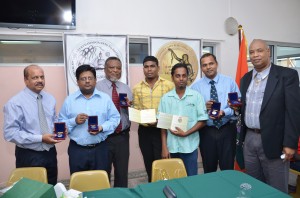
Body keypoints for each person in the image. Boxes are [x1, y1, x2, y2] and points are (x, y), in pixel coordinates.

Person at [238, 39, 300, 193]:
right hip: (250, 138)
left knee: (276, 189)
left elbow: (293, 111)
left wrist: (290, 144)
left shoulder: (287, 75)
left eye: (259, 51)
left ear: (268, 52)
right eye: (251, 52)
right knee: (253, 186)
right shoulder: (245, 79)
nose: (255, 55)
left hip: (275, 141)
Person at [3, 65, 61, 185]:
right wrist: (40, 138)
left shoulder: (50, 99)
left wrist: (59, 129)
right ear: (26, 80)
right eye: (35, 77)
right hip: (28, 155)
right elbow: (10, 133)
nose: (40, 80)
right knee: (31, 191)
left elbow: (52, 120)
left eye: (42, 77)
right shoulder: (15, 103)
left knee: (51, 187)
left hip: (50, 152)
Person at [59, 64, 120, 174]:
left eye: (90, 78)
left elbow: (115, 118)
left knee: (101, 184)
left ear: (95, 80)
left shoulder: (105, 99)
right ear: (77, 82)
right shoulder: (69, 100)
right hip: (77, 150)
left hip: (100, 149)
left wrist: (102, 128)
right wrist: (74, 121)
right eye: (83, 79)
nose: (87, 81)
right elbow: (60, 124)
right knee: (79, 185)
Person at [191, 53, 240, 173]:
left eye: (211, 63)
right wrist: (203, 107)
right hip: (206, 131)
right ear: (201, 68)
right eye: (204, 65)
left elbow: (236, 106)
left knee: (228, 168)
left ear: (216, 64)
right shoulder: (195, 88)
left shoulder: (229, 82)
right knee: (209, 167)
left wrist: (224, 112)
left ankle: (228, 190)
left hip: (227, 129)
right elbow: (191, 111)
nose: (208, 67)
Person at [158, 63, 208, 176]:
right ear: (172, 78)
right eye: (178, 76)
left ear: (187, 77)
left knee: (191, 180)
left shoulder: (196, 96)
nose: (181, 79)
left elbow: (203, 120)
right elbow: (163, 126)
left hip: (190, 147)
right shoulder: (166, 99)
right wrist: (164, 147)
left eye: (184, 76)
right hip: (172, 147)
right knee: (174, 179)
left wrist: (186, 133)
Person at [132, 56, 174, 182]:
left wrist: (159, 121)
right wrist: (141, 119)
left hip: (163, 130)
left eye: (152, 66)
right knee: (149, 162)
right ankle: (152, 186)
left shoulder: (169, 86)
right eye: (146, 66)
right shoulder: (137, 88)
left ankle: (165, 186)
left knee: (163, 162)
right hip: (145, 131)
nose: (149, 69)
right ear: (143, 69)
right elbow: (137, 110)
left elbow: (173, 109)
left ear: (158, 68)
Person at [96, 57, 132, 187]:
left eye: (118, 68)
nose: (115, 70)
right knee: (103, 173)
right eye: (112, 67)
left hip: (122, 137)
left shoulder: (126, 88)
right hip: (103, 137)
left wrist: (131, 106)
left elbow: (131, 114)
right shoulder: (97, 88)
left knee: (122, 173)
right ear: (105, 69)